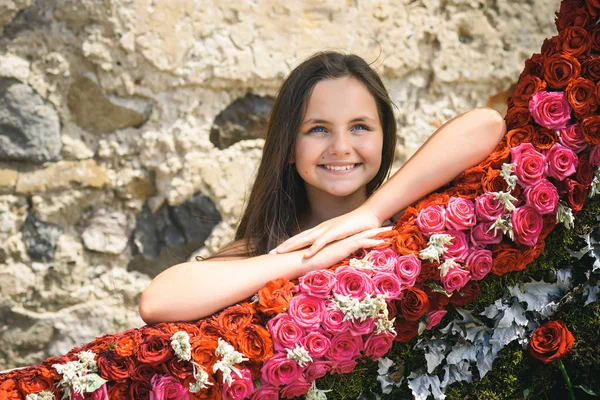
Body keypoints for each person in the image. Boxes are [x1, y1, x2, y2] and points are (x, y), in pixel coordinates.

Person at [138, 51, 506, 324]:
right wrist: (308, 257)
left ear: (384, 138)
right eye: (318, 129)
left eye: (360, 126)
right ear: (288, 148)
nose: (341, 147)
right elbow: (157, 302)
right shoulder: (268, 249)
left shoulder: (407, 215)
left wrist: (370, 213)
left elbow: (486, 124)